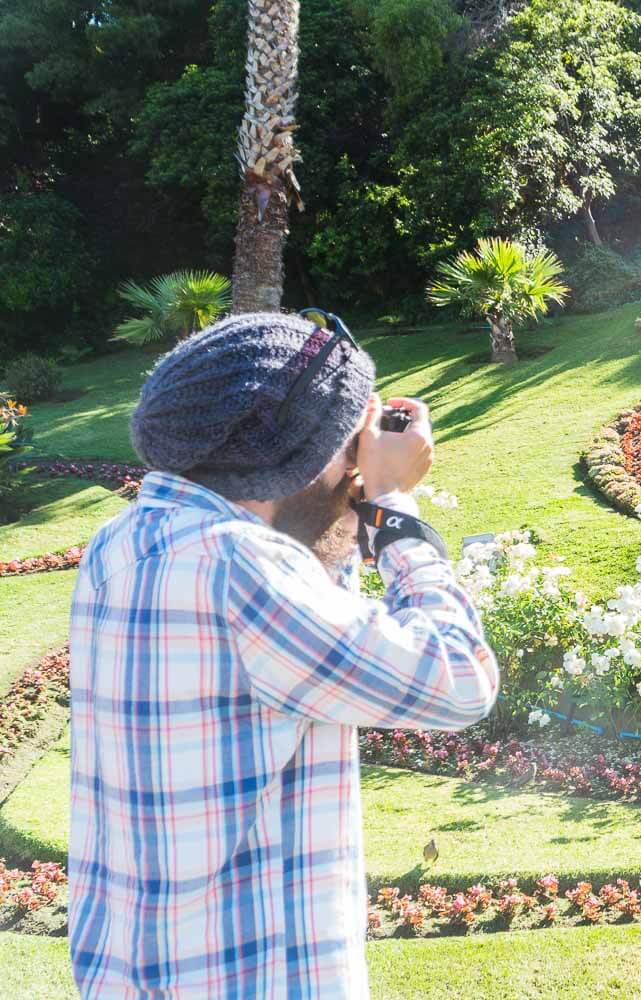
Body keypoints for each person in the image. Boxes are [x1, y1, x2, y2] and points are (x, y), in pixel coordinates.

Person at [67, 312, 498, 998]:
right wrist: (392, 505)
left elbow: (298, 631)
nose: (357, 460)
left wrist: (345, 516)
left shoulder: (124, 542)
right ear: (293, 456)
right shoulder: (244, 570)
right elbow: (461, 678)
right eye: (349, 441)